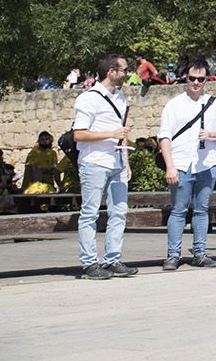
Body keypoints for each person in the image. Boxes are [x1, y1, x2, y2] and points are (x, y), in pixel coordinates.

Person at [158, 59, 216, 270]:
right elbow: (164, 137)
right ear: (185, 79)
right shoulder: (174, 104)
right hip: (181, 163)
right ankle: (173, 255)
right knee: (178, 210)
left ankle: (199, 253)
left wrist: (211, 134)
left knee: (202, 210)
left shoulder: (214, 104)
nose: (196, 83)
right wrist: (169, 166)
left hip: (206, 164)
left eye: (201, 79)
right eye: (192, 78)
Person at [72, 55, 133, 279]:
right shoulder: (89, 99)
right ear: (111, 71)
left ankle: (112, 259)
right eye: (124, 70)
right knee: (90, 213)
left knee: (119, 212)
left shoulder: (121, 98)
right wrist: (112, 134)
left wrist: (125, 161)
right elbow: (79, 134)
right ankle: (89, 263)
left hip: (116, 162)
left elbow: (123, 132)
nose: (127, 74)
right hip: (94, 162)